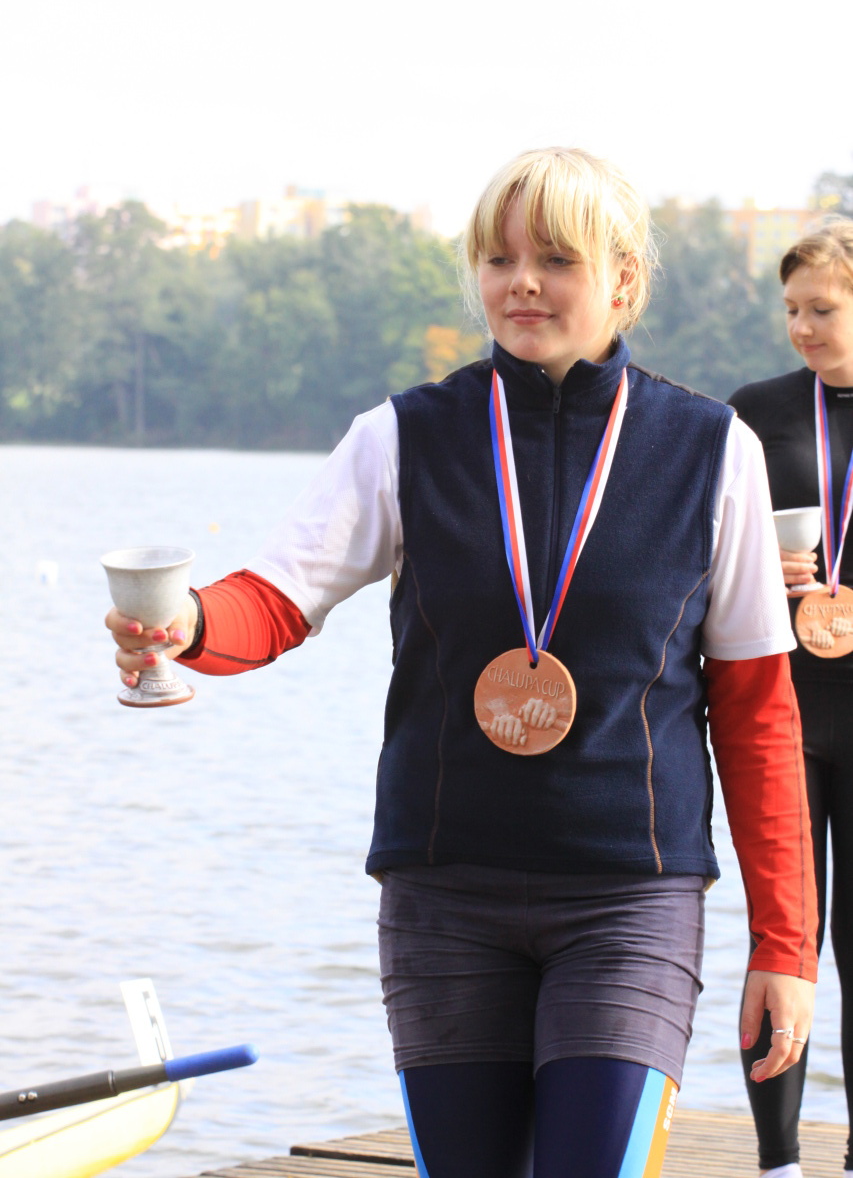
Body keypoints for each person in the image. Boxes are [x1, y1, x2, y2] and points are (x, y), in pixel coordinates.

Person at [106, 147, 817, 1178]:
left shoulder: (713, 450)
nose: (520, 282)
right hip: (445, 894)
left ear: (622, 278)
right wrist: (182, 622)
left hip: (627, 899)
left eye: (554, 259)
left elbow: (756, 713)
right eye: (498, 258)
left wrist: (783, 945)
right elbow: (276, 596)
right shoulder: (404, 434)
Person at [730, 218, 853, 1178]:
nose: (801, 328)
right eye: (790, 310)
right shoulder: (755, 413)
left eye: (821, 309)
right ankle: (778, 1163)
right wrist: (753, 571)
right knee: (783, 938)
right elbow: (703, 551)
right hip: (782, 713)